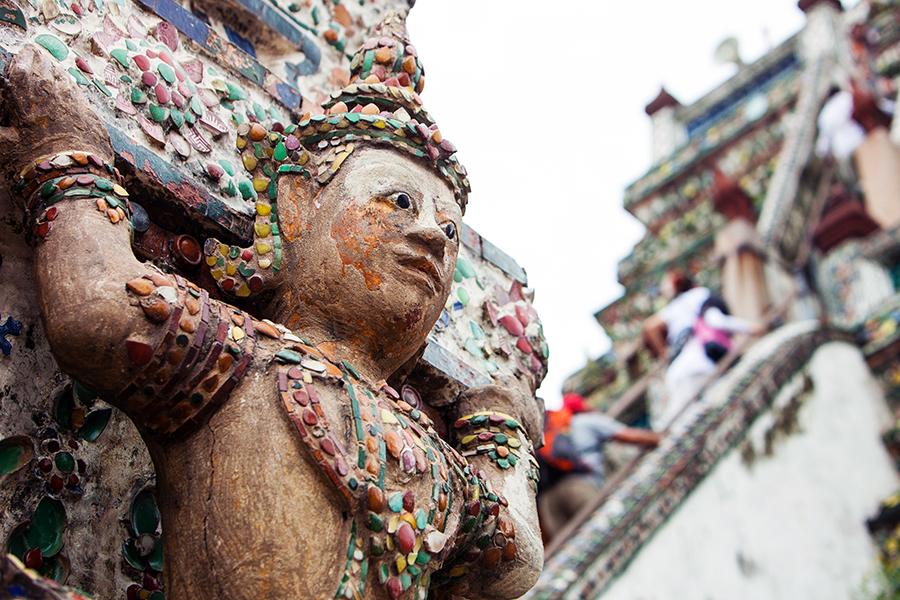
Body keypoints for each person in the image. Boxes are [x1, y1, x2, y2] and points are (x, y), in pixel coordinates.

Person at [0, 14, 543, 600]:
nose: (433, 235)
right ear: (297, 203)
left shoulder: (432, 460)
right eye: (400, 202)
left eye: (450, 231)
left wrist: (499, 434)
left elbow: (509, 559)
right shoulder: (239, 357)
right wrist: (66, 151)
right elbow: (97, 308)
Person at [644, 272, 763, 429]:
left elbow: (649, 326)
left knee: (682, 419)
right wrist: (751, 328)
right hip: (699, 362)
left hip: (678, 368)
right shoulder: (701, 295)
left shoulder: (675, 306)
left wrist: (664, 353)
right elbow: (716, 320)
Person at [537, 393, 660, 541]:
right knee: (606, 535)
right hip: (579, 486)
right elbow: (630, 436)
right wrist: (659, 437)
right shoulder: (586, 421)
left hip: (546, 502)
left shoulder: (549, 432)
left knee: (572, 548)